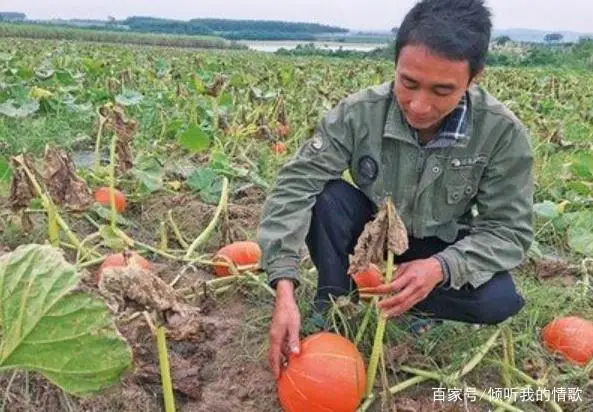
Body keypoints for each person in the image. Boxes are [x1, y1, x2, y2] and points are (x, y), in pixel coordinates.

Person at [257, 0, 534, 380]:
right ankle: (336, 298)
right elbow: (295, 185)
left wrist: (442, 267)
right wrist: (284, 287)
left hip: (441, 246)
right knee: (325, 196)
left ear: (474, 78)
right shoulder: (358, 113)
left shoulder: (501, 132)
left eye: (442, 90)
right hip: (371, 240)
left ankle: (419, 308)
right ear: (396, 64)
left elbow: (509, 231)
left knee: (498, 300)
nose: (419, 105)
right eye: (408, 83)